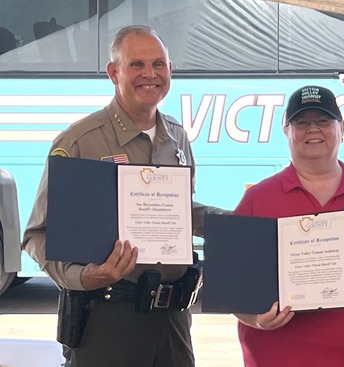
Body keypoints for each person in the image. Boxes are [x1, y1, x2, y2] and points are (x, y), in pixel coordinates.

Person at [23, 25, 226, 367]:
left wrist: (246, 224)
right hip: (107, 321)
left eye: (159, 64)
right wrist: (85, 277)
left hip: (174, 322)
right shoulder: (79, 143)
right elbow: (37, 235)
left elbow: (177, 214)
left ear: (171, 70)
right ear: (114, 72)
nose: (150, 74)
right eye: (137, 65)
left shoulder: (176, 138)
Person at [232, 85, 344, 366]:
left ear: (341, 127)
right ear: (286, 131)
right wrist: (256, 320)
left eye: (323, 120)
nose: (313, 129)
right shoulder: (257, 199)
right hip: (281, 358)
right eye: (301, 122)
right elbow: (230, 284)